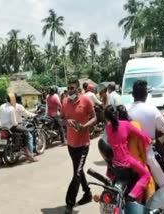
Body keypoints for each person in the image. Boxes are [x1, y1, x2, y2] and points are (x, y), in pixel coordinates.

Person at [127, 80, 164, 187]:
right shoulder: (152, 110)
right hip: (148, 151)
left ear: (133, 95)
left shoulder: (125, 109)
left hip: (129, 152)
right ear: (146, 95)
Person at [61, 78, 97, 214]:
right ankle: (87, 194)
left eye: (72, 88)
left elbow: (95, 117)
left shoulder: (86, 101)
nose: (70, 91)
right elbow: (61, 120)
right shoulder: (64, 102)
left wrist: (84, 126)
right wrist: (67, 121)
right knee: (79, 170)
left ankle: (69, 204)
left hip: (83, 144)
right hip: (71, 144)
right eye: (68, 88)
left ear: (78, 89)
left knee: (76, 173)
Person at [104, 105, 151, 202]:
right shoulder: (126, 124)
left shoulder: (108, 128)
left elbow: (109, 140)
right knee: (146, 175)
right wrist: (149, 140)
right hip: (127, 161)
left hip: (116, 163)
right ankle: (133, 194)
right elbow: (141, 135)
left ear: (106, 118)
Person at [116, 105, 155, 201]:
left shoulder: (113, 127)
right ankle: (149, 203)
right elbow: (141, 145)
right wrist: (144, 160)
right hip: (134, 161)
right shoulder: (134, 125)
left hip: (118, 163)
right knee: (148, 179)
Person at [0, 93, 37, 163]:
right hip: (11, 127)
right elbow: (14, 122)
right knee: (27, 133)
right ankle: (29, 153)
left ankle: (1, 160)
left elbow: (0, 117)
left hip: (3, 127)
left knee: (2, 142)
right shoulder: (12, 108)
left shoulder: (2, 106)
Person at [15, 94, 38, 162]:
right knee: (29, 136)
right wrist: (34, 115)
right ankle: (31, 155)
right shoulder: (18, 106)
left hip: (4, 126)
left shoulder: (5, 106)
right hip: (16, 125)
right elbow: (26, 113)